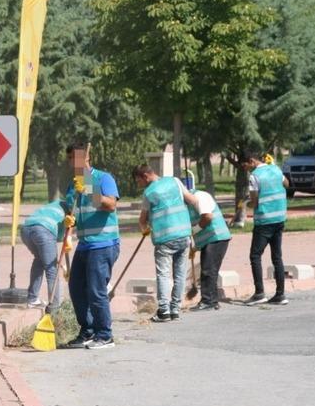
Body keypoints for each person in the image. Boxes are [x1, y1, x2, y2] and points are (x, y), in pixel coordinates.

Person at [64, 143, 120, 350]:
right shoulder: (72, 185)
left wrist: (88, 188)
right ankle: (87, 331)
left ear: (86, 157)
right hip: (85, 244)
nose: (73, 162)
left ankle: (105, 335)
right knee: (76, 288)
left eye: (77, 158)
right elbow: (74, 211)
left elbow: (110, 204)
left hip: (104, 243)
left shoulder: (103, 178)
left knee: (96, 291)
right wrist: (69, 220)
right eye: (70, 159)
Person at [133, 164, 191, 322]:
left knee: (163, 274)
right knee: (180, 274)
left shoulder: (149, 192)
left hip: (164, 240)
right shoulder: (175, 181)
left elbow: (142, 220)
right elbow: (192, 200)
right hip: (184, 235)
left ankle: (164, 311)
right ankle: (175, 310)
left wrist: (144, 229)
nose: (139, 185)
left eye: (139, 181)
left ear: (146, 176)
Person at [240, 150, 289, 306]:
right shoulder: (274, 168)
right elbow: (286, 183)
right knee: (277, 257)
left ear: (252, 161)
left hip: (264, 221)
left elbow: (255, 202)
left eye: (245, 165)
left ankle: (259, 293)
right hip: (279, 218)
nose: (246, 169)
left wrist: (248, 202)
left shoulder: (255, 176)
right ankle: (280, 294)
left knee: (255, 256)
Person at [186, 188, 232, 311]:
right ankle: (212, 301)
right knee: (210, 270)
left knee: (208, 270)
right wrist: (195, 247)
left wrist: (194, 230)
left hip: (216, 237)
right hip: (209, 240)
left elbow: (207, 217)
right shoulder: (188, 203)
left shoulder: (200, 196)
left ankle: (208, 301)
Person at [21, 200, 68, 310]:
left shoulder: (55, 205)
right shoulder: (69, 214)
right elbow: (60, 237)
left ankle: (32, 299)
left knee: (39, 260)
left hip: (25, 230)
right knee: (52, 270)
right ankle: (55, 306)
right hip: (43, 230)